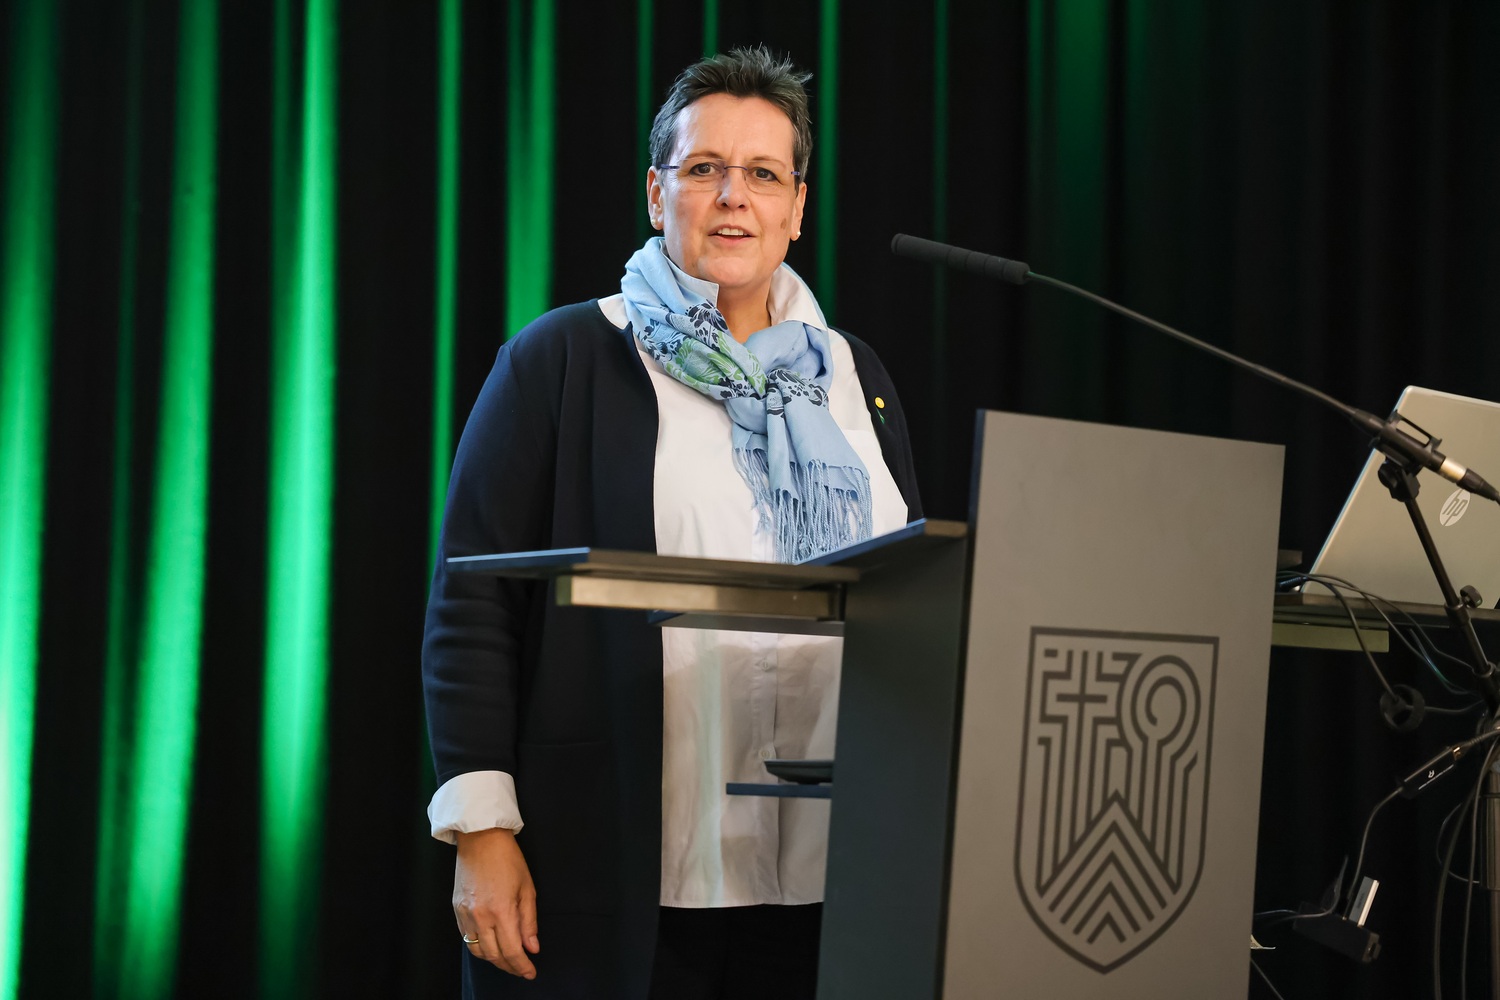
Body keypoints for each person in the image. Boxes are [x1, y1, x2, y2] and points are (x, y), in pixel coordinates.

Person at [422, 46, 922, 999]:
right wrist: (482, 830)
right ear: (658, 195)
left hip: (831, 868)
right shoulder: (563, 358)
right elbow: (472, 606)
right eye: (704, 169)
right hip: (625, 869)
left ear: (796, 208)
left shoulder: (856, 380)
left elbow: (912, 600)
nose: (734, 197)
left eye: (763, 174)